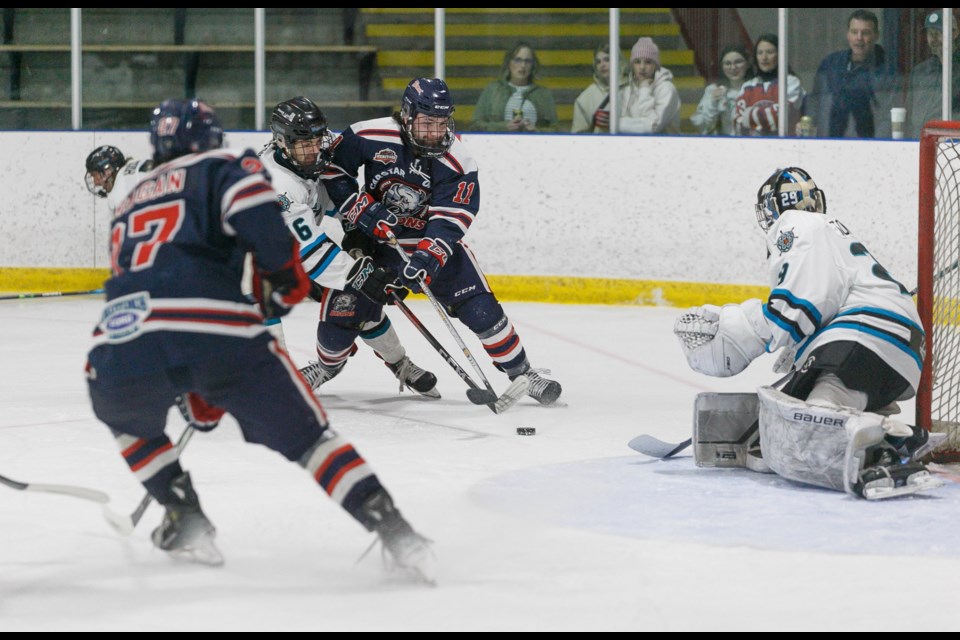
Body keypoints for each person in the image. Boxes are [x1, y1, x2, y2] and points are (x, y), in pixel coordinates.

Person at [85, 98, 435, 583]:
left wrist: (190, 385)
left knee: (125, 421)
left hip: (119, 340)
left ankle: (182, 514)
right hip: (217, 333)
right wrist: (280, 288)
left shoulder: (129, 198)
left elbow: (151, 292)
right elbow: (273, 246)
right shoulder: (228, 168)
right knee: (312, 441)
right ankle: (397, 532)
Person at [673, 167, 945, 500]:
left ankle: (889, 440)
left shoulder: (794, 224)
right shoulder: (827, 229)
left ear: (776, 206)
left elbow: (803, 302)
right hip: (894, 350)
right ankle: (879, 435)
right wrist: (801, 350)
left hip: (864, 334)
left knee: (817, 424)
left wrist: (745, 329)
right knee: (807, 412)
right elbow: (825, 297)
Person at [320, 77, 562, 406]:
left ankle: (523, 373)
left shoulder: (457, 160)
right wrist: (360, 209)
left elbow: (450, 219)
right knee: (343, 315)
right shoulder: (368, 134)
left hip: (428, 243)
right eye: (427, 123)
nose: (436, 133)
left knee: (481, 310)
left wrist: (426, 259)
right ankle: (324, 367)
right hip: (376, 242)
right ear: (406, 116)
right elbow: (333, 170)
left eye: (442, 123)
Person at [259, 96, 439, 398]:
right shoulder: (276, 186)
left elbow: (337, 204)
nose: (315, 149)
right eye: (305, 143)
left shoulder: (304, 157)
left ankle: (400, 364)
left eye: (317, 139)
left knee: (355, 299)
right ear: (281, 142)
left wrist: (357, 230)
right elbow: (311, 253)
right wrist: (362, 276)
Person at [85, 145, 226, 434]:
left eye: (98, 176)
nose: (97, 183)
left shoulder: (119, 192)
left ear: (107, 171)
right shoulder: (139, 170)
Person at [804, 10, 897, 139]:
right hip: (828, 143)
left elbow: (889, 117)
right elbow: (814, 102)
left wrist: (875, 146)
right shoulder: (830, 64)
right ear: (847, 34)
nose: (859, 38)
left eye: (865, 33)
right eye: (854, 32)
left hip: (869, 145)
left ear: (876, 36)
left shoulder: (887, 71)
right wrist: (807, 124)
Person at [468, 42, 559, 133]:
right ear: (508, 63)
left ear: (533, 65)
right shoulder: (493, 90)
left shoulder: (543, 93)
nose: (523, 65)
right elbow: (475, 125)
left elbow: (555, 129)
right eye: (517, 60)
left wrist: (536, 130)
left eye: (527, 61)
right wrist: (503, 127)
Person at [733, 34, 806, 137]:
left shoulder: (791, 82)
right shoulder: (748, 86)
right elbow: (738, 122)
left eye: (770, 52)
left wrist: (749, 115)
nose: (764, 58)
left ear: (780, 55)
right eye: (760, 53)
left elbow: (780, 117)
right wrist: (768, 114)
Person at [907, 10, 960, 138]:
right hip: (917, 145)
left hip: (951, 146)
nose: (934, 39)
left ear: (955, 33)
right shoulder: (919, 72)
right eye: (931, 34)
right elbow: (909, 115)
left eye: (940, 33)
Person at [617, 37, 681, 134]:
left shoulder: (667, 89)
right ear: (632, 65)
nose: (642, 67)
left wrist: (644, 89)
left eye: (648, 62)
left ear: (655, 65)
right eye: (637, 62)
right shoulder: (627, 88)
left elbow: (652, 127)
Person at [689, 43, 752, 136]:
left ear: (747, 64)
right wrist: (712, 103)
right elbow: (704, 127)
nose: (733, 67)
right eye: (727, 63)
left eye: (738, 62)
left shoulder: (756, 88)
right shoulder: (712, 90)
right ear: (722, 67)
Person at [571, 43, 625, 134]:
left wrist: (619, 123)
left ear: (619, 61)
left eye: (607, 60)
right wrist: (593, 124)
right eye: (598, 62)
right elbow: (578, 136)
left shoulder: (634, 90)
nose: (602, 65)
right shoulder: (585, 98)